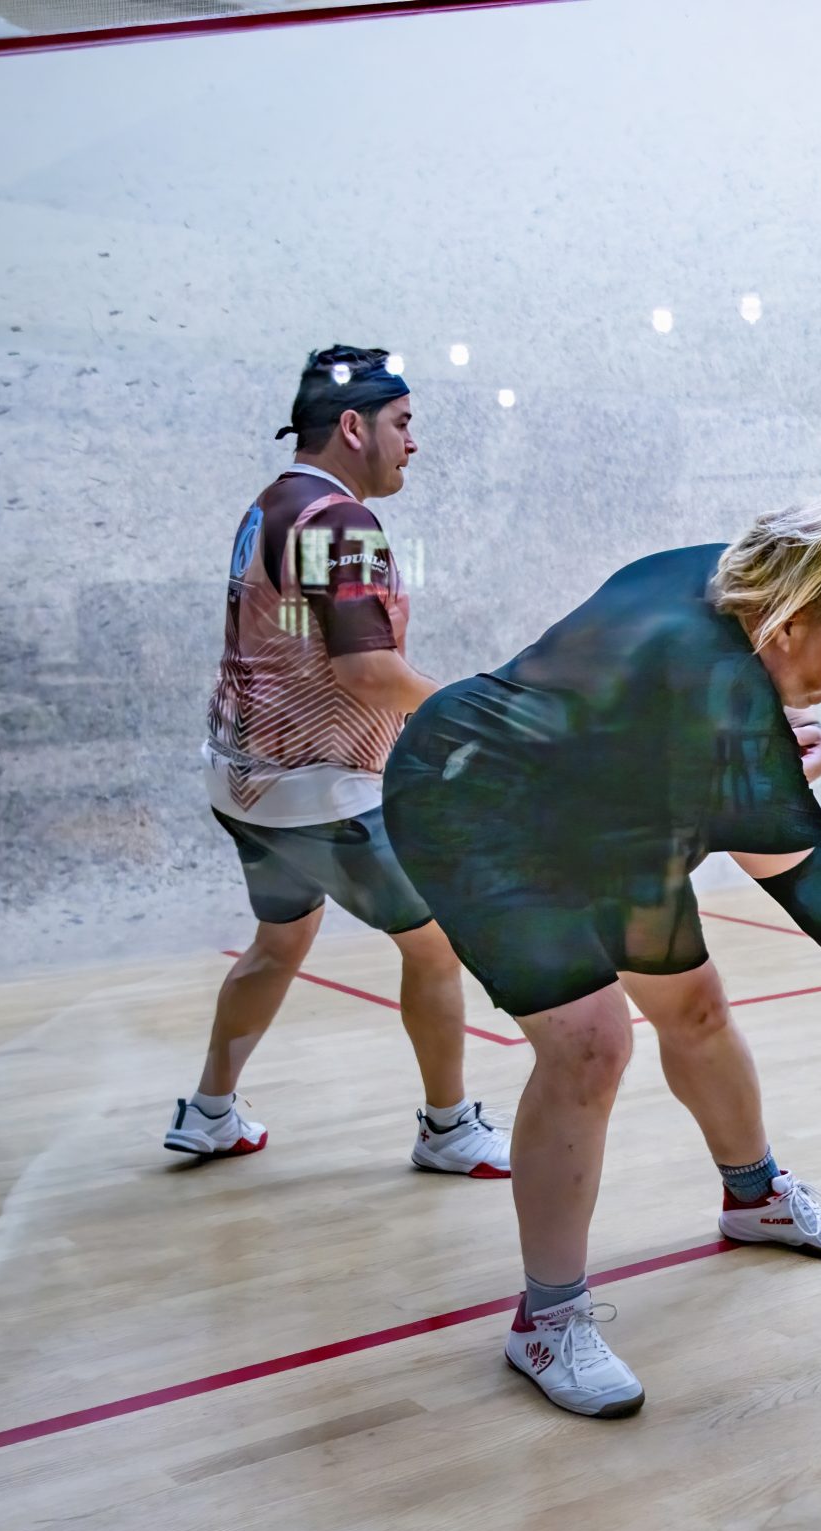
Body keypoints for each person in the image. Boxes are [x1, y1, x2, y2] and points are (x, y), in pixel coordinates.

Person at [383, 493, 821, 1417]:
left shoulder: (729, 581)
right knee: (590, 1044)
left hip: (604, 816)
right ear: (791, 620)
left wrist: (751, 772)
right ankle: (547, 1320)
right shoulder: (721, 695)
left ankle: (753, 1196)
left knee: (695, 1007)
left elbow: (669, 748)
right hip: (471, 804)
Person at [164, 345, 510, 1178]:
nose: (413, 442)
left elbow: (313, 644)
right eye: (403, 423)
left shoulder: (273, 505)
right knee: (436, 946)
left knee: (280, 940)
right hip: (322, 796)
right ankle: (448, 1128)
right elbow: (366, 671)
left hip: (245, 786)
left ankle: (209, 1112)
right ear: (354, 426)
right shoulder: (340, 522)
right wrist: (475, 710)